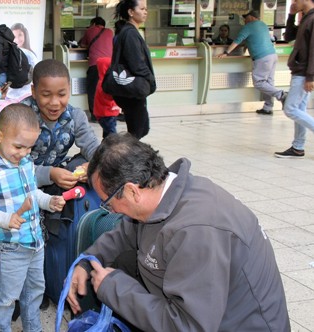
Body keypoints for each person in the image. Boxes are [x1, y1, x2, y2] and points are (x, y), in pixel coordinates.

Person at [65, 133, 290, 331]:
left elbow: (187, 326)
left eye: (107, 202)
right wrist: (87, 261)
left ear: (132, 191)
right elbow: (126, 232)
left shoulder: (196, 232)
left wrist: (112, 286)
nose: (109, 209)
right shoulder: (165, 193)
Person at [0, 104, 65, 332]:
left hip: (35, 242)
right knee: (5, 299)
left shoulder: (25, 164)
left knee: (34, 292)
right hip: (7, 247)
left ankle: (33, 328)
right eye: (18, 146)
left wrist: (48, 202)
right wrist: (5, 219)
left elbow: (32, 194)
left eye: (29, 148)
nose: (23, 153)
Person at [19, 59, 100, 189]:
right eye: (46, 95)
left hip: (59, 171)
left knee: (93, 164)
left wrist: (92, 166)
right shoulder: (20, 116)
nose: (55, 102)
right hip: (22, 179)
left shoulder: (75, 116)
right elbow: (10, 160)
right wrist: (49, 174)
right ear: (34, 91)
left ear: (69, 90)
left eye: (61, 94)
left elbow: (93, 147)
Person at [217, 10, 287, 115]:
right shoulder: (263, 25)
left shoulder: (248, 27)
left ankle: (281, 95)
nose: (244, 20)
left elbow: (237, 40)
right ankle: (268, 107)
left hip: (262, 58)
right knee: (269, 83)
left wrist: (226, 52)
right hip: (272, 55)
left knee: (259, 83)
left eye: (246, 17)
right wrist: (248, 44)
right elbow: (259, 38)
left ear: (251, 17)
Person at [274, 0, 314, 158]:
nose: (294, 2)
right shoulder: (306, 18)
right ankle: (298, 147)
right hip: (301, 71)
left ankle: (298, 146)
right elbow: (289, 36)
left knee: (290, 109)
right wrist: (290, 15)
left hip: (304, 74)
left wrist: (310, 77)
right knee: (299, 109)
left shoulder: (312, 19)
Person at [110, 0, 155, 139]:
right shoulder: (130, 33)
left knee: (139, 129)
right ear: (131, 12)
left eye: (146, 9)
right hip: (132, 89)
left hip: (129, 89)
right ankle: (124, 155)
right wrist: (150, 80)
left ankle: (126, 154)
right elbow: (136, 64)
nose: (145, 12)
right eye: (141, 9)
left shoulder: (128, 31)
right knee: (138, 130)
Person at [78, 17, 113, 121]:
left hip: (96, 64)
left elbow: (83, 44)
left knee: (93, 90)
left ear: (93, 24)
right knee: (108, 90)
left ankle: (94, 115)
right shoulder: (110, 32)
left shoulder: (90, 30)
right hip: (109, 64)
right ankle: (109, 113)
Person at [94, 57, 120, 138]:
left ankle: (104, 148)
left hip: (105, 113)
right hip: (107, 114)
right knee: (113, 137)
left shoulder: (102, 81)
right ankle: (112, 149)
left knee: (107, 135)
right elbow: (109, 97)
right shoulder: (105, 84)